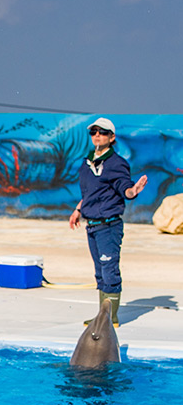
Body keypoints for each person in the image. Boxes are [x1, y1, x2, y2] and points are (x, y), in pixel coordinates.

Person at [69, 117, 147, 325]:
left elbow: (125, 187)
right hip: (92, 225)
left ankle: (110, 318)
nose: (97, 136)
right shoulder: (86, 163)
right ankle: (102, 315)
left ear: (112, 137)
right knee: (99, 272)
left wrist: (133, 191)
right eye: (93, 132)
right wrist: (78, 209)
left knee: (109, 269)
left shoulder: (116, 163)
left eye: (102, 132)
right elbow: (91, 192)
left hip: (109, 225)